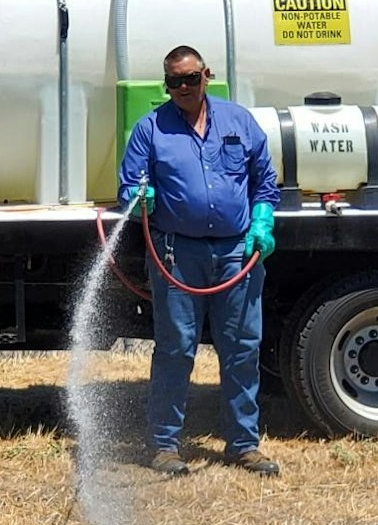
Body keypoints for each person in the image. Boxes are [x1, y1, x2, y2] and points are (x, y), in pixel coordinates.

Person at [118, 45, 280, 477]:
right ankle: (165, 445)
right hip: (176, 254)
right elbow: (128, 189)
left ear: (206, 75)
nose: (184, 87)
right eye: (175, 81)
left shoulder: (239, 121)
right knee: (174, 349)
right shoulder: (150, 129)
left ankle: (244, 445)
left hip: (237, 253)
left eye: (191, 78)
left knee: (242, 350)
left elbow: (265, 180)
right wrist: (140, 202)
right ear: (165, 84)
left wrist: (262, 222)